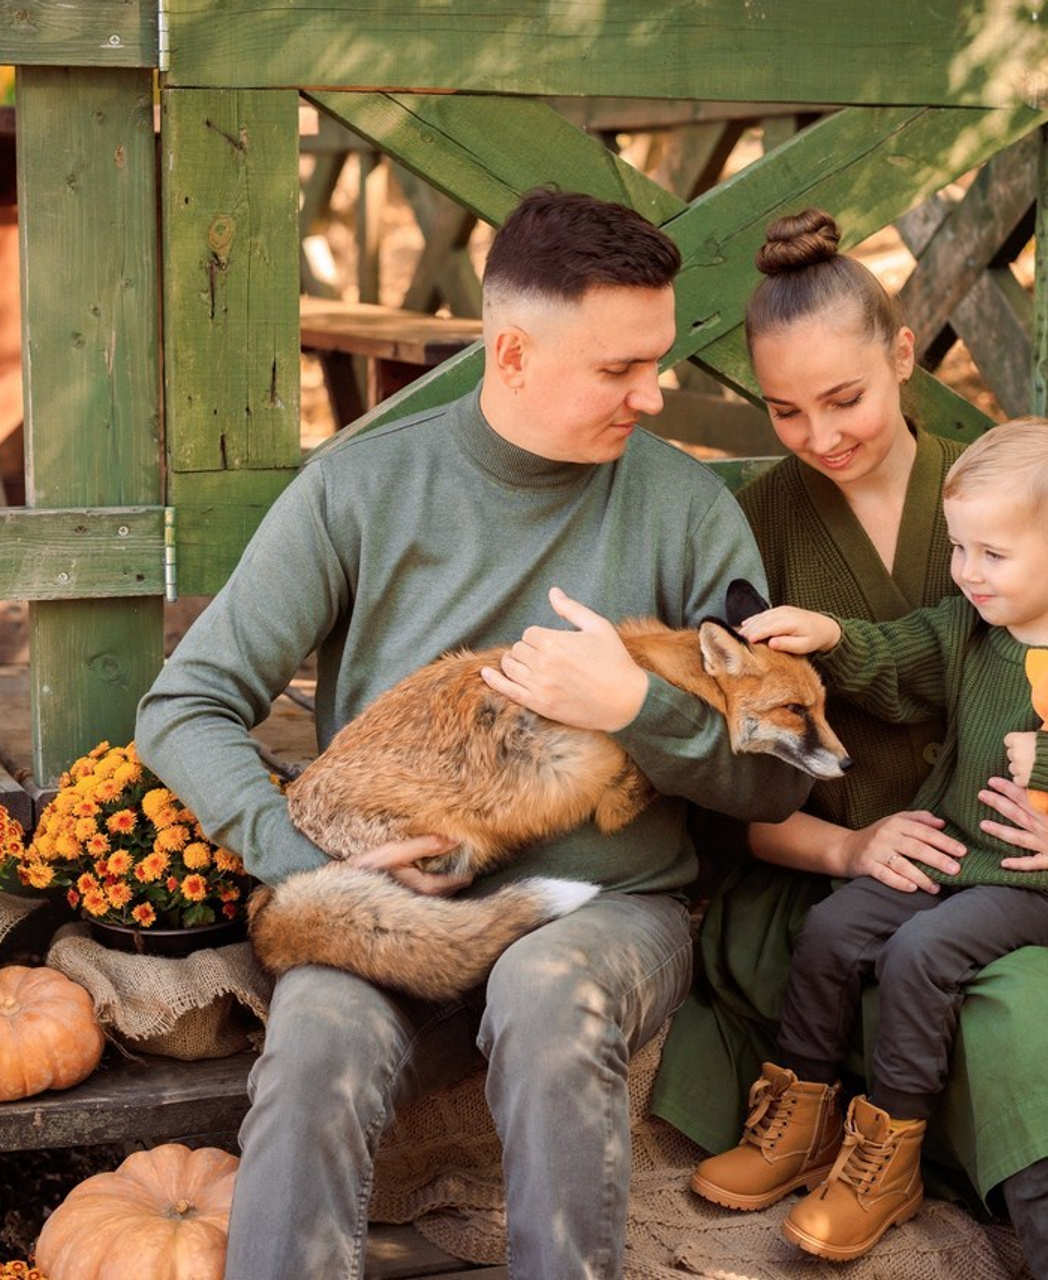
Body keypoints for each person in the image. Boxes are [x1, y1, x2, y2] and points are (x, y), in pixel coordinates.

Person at [134, 189, 815, 1280]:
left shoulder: (687, 510)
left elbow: (777, 786)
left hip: (610, 907)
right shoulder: (359, 488)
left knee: (548, 998)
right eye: (618, 369)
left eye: (657, 361)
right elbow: (185, 703)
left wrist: (638, 709)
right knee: (314, 1040)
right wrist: (305, 862)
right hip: (381, 901)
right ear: (511, 353)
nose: (651, 394)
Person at [650, 208, 1048, 1279]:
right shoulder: (754, 521)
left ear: (902, 356)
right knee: (1018, 1002)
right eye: (784, 410)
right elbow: (722, 775)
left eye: (844, 397)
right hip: (842, 875)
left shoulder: (1006, 496)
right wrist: (848, 847)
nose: (820, 434)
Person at [690, 417, 1048, 1262]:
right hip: (961, 853)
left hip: (1046, 880)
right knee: (834, 926)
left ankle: (887, 1158)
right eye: (959, 549)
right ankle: (800, 1122)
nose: (967, 572)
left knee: (921, 953)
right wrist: (831, 635)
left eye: (992, 554)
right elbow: (895, 656)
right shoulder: (967, 627)